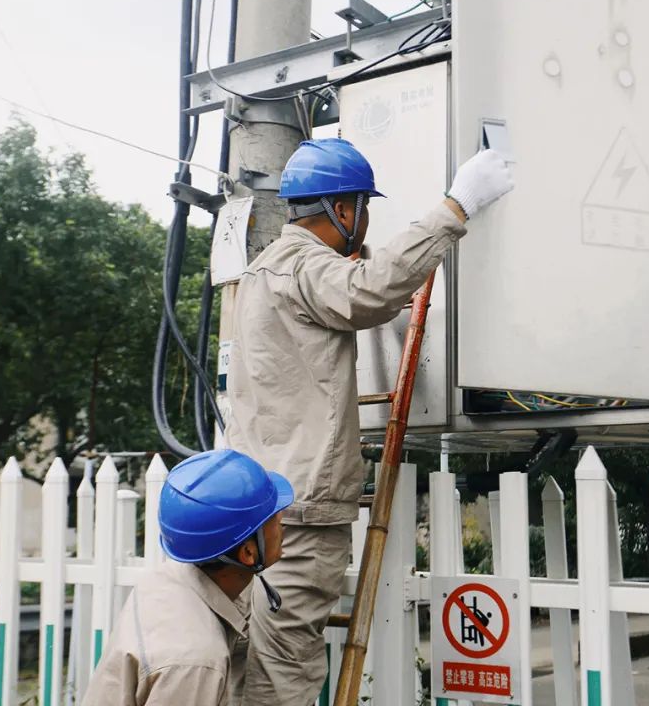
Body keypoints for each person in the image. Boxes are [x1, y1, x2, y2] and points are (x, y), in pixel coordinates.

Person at [224, 137, 514, 705]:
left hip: (260, 498)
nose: (366, 220)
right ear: (343, 209)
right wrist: (456, 208)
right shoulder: (307, 268)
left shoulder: (264, 269)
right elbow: (368, 292)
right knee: (284, 669)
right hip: (300, 508)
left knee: (251, 656)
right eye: (365, 207)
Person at [82, 449, 293, 706]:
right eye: (272, 517)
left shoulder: (163, 582)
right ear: (248, 552)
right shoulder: (196, 661)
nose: (282, 519)